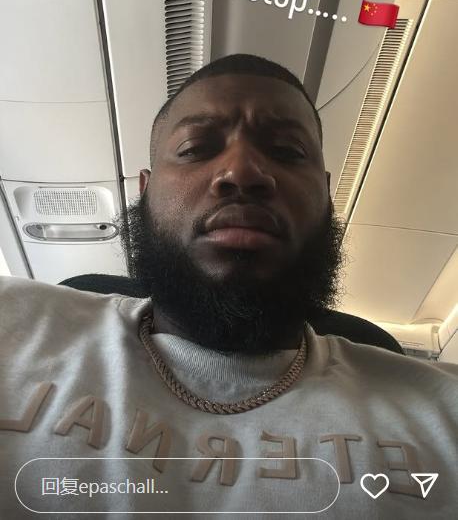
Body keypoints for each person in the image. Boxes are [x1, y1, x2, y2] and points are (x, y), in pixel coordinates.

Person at [0, 54, 456, 519]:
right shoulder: (11, 320)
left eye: (288, 151)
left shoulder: (444, 411)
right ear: (146, 192)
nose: (242, 172)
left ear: (324, 196)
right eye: (196, 148)